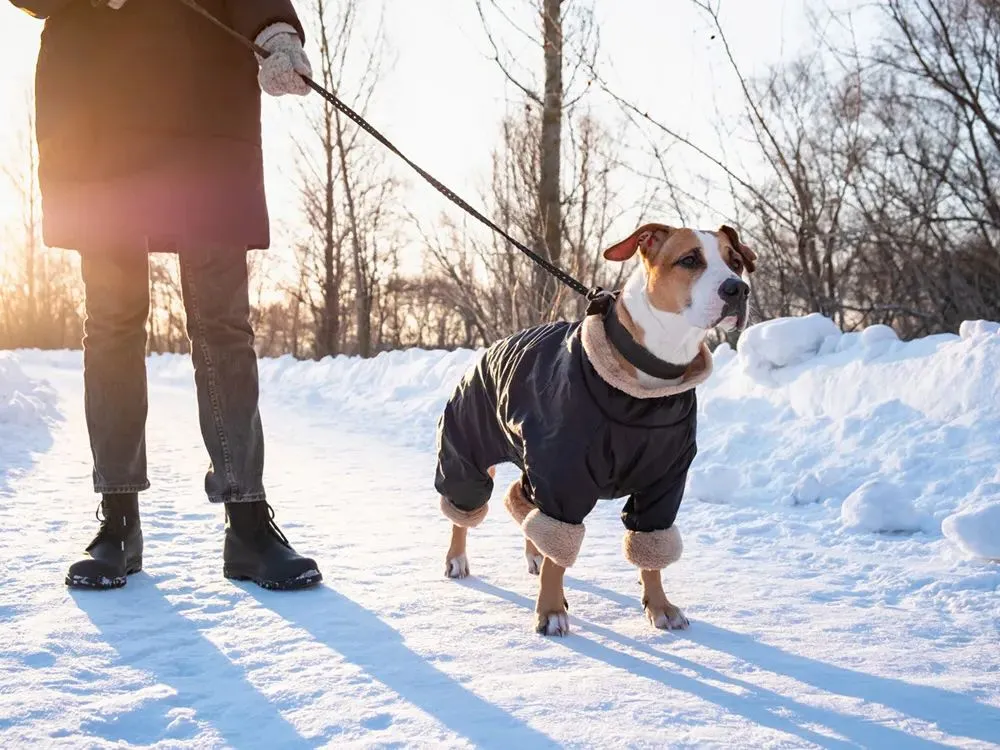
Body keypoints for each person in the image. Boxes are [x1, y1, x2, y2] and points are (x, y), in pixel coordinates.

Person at [11, 0, 323, 591]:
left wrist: (276, 32)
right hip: (99, 109)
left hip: (205, 102)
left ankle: (248, 523)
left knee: (223, 321)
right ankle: (118, 523)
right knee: (112, 320)